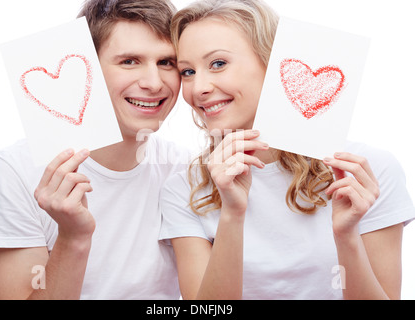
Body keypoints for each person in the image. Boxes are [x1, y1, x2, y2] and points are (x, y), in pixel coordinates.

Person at [159, 0, 415, 300]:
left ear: (272, 60)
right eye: (187, 71)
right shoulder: (184, 189)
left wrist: (346, 239)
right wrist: (232, 214)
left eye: (218, 64)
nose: (198, 87)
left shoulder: (364, 172)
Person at [0, 0, 190, 299]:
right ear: (87, 66)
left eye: (166, 62)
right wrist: (73, 238)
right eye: (129, 61)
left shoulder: (186, 170)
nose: (154, 83)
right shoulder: (13, 171)